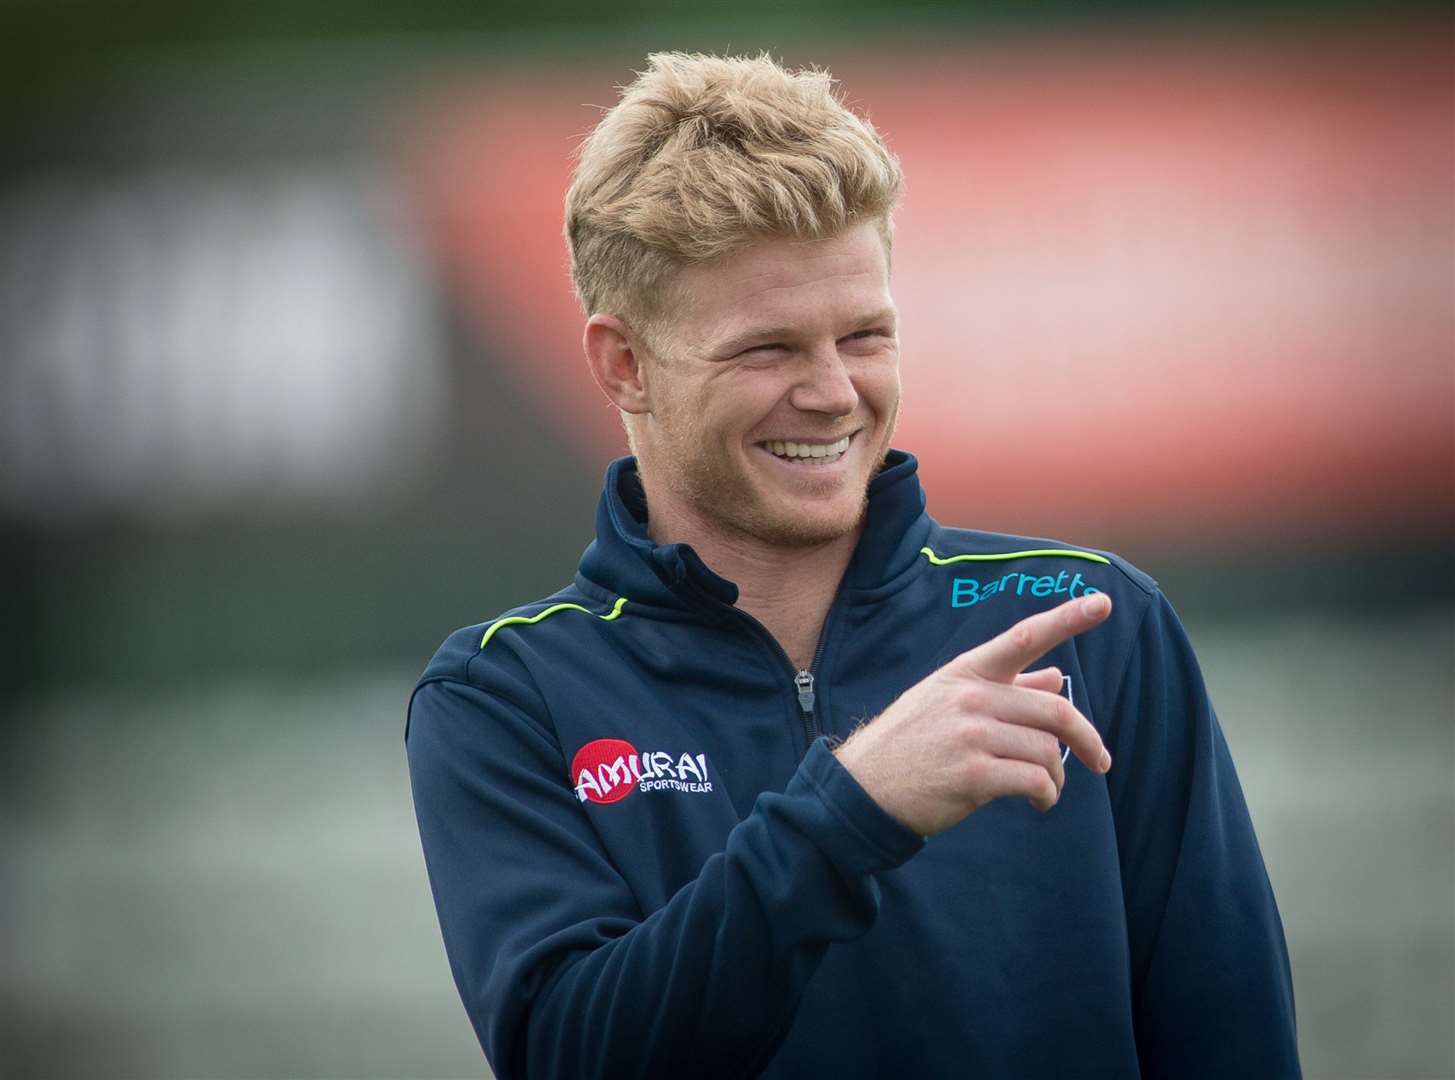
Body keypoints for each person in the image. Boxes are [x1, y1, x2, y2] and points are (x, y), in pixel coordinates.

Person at [406, 52, 1300, 1079]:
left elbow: (1236, 1046)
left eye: (865, 335)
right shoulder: (504, 696)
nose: (834, 393)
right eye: (768, 350)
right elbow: (572, 1055)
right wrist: (851, 810)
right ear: (625, 364)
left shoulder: (1092, 621)